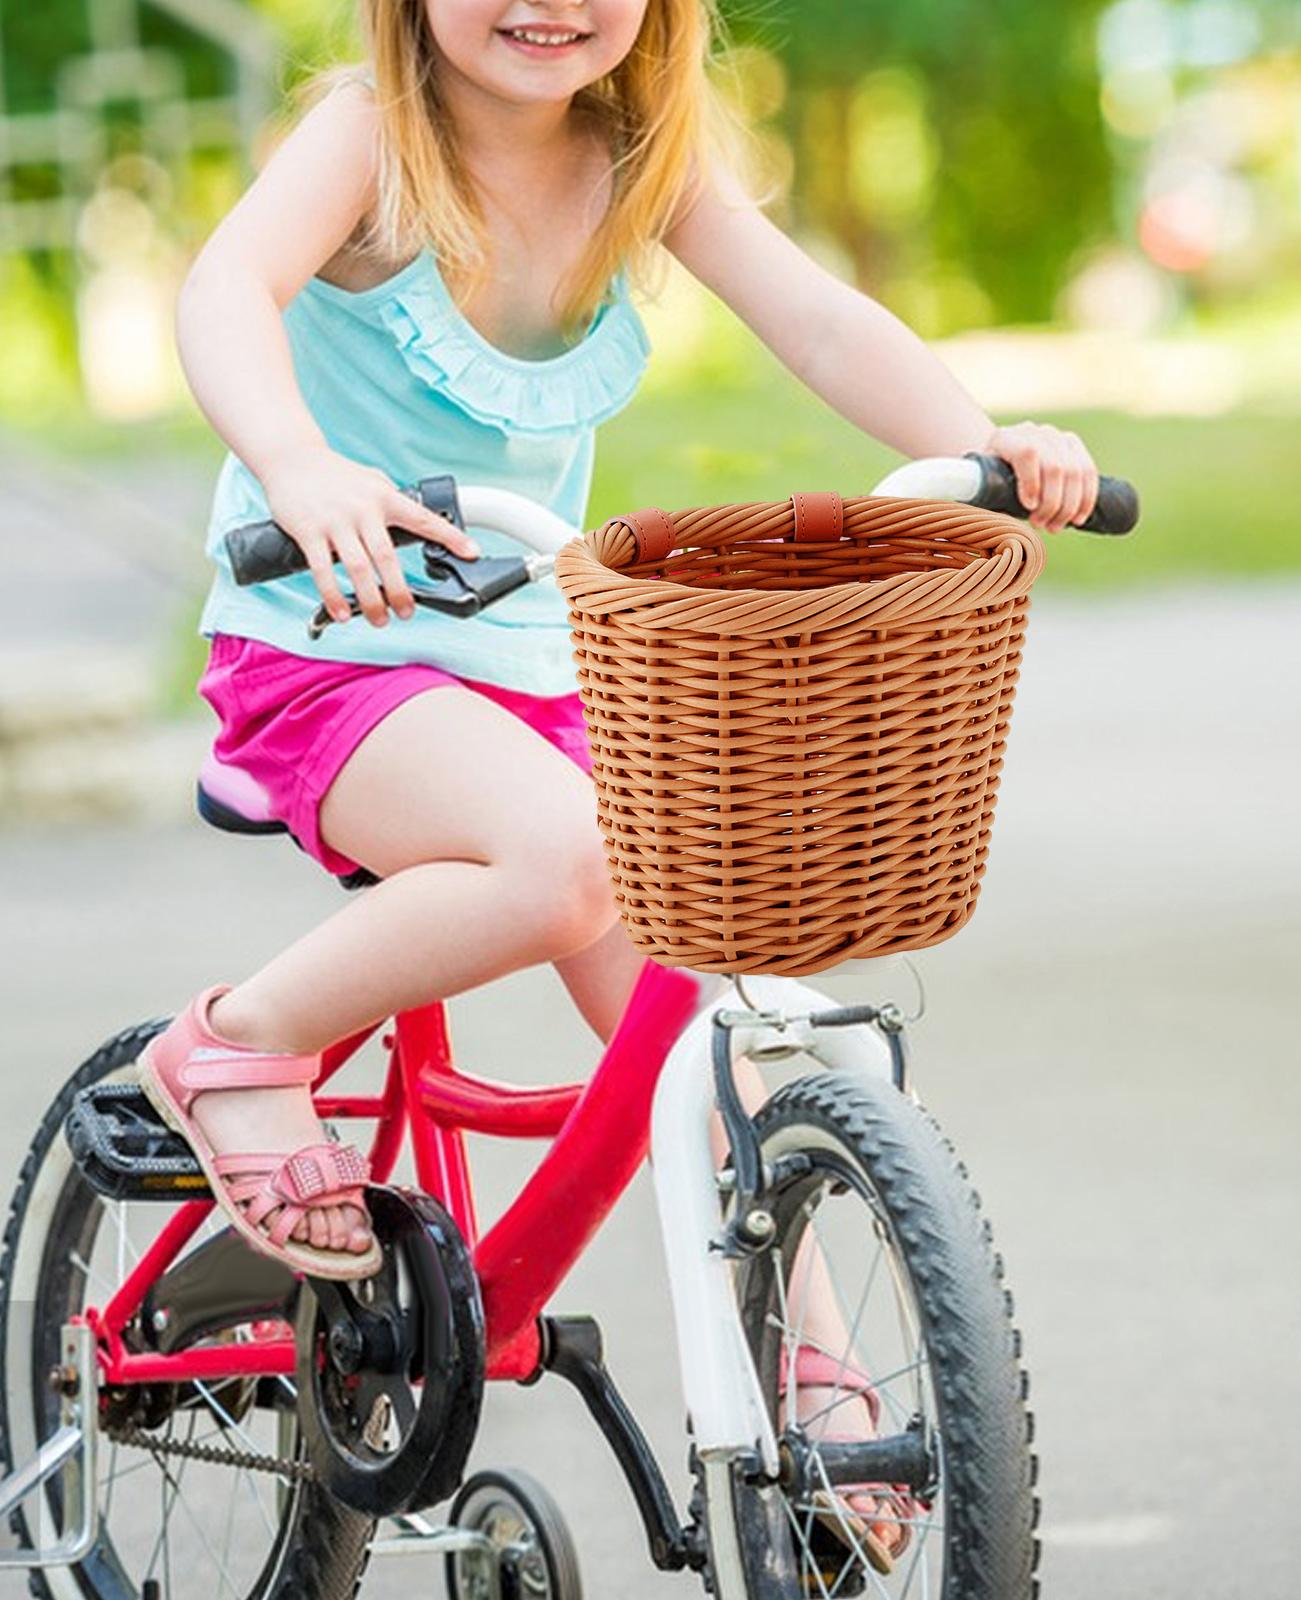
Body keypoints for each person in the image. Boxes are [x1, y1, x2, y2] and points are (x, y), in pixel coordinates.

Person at [148, 0, 1099, 1562]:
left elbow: (820, 323)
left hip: (541, 671)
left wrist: (984, 446)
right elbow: (224, 289)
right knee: (580, 859)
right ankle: (238, 1047)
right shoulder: (372, 138)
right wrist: (302, 463)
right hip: (330, 649)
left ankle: (816, 1353)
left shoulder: (642, 158)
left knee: (699, 998)